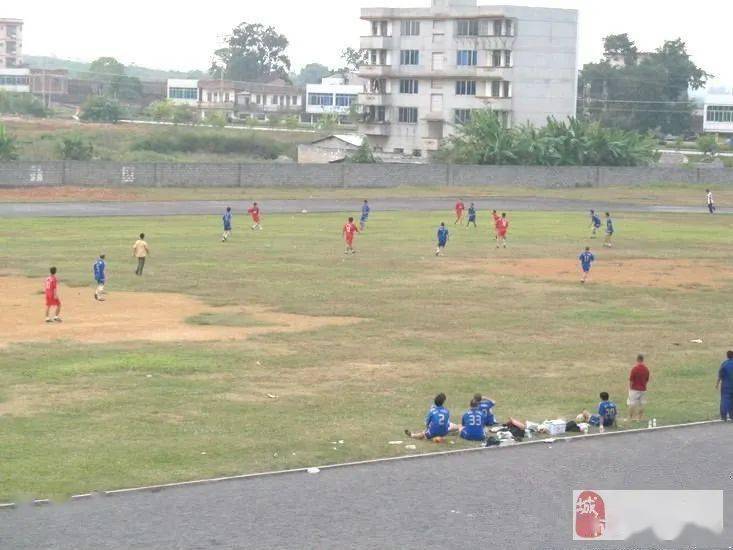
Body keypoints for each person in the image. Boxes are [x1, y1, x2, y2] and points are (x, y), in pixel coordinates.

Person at [628, 354, 650, 421]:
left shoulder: (634, 369)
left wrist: (630, 388)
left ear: (637, 359)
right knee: (642, 404)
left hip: (634, 389)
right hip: (643, 389)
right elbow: (647, 380)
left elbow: (631, 380)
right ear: (643, 360)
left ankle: (630, 418)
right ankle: (639, 418)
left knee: (632, 403)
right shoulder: (646, 369)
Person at [716, 351, 733, 422]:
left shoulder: (724, 364)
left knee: (724, 401)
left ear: (727, 356)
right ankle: (732, 415)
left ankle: (724, 416)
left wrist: (717, 384)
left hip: (726, 386)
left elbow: (720, 375)